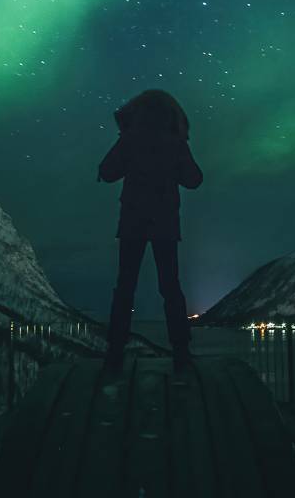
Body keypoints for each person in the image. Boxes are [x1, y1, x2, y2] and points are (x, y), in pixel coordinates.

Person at [97, 89, 203, 376]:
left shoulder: (130, 138)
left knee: (125, 288)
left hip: (132, 222)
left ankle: (114, 354)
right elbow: (194, 179)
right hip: (166, 224)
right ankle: (181, 354)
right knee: (170, 287)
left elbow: (107, 172)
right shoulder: (175, 141)